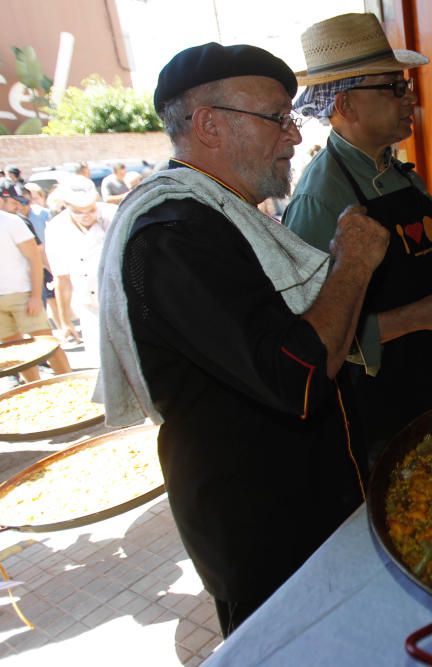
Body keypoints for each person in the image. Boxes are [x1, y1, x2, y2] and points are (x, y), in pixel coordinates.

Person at [98, 42, 389, 635]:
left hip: (308, 506)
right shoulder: (175, 237)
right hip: (264, 531)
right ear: (208, 125)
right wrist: (351, 264)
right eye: (278, 118)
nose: (294, 136)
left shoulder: (228, 215)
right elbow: (298, 377)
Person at [284, 13, 432, 460]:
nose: (410, 99)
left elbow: (403, 274)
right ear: (345, 104)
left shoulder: (404, 177)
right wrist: (423, 315)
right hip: (386, 411)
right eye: (394, 88)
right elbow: (308, 338)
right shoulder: (320, 198)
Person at [45, 176, 116, 353]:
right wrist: (65, 321)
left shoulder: (114, 214)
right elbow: (62, 278)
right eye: (78, 211)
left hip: (122, 300)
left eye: (90, 210)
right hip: (89, 306)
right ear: (66, 206)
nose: (86, 216)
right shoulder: (56, 228)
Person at [0, 208, 71, 382]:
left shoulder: (11, 221)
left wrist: (35, 295)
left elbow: (34, 258)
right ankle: (35, 388)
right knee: (15, 351)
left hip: (23, 293)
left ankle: (69, 382)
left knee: (46, 344)